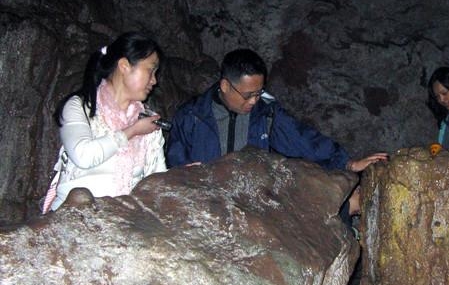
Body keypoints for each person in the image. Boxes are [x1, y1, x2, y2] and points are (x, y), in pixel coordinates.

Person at [166, 48, 388, 179]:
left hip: (249, 204)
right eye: (248, 95)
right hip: (205, 205)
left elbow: (305, 141)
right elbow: (174, 166)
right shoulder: (191, 117)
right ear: (225, 86)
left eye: (259, 92)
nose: (254, 101)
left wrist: (348, 164)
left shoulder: (266, 114)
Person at [45, 33, 167, 212]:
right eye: (150, 70)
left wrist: (180, 176)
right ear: (124, 66)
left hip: (124, 219)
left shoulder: (148, 121)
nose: (154, 81)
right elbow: (83, 156)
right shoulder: (80, 106)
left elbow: (158, 180)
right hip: (72, 217)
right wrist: (131, 131)